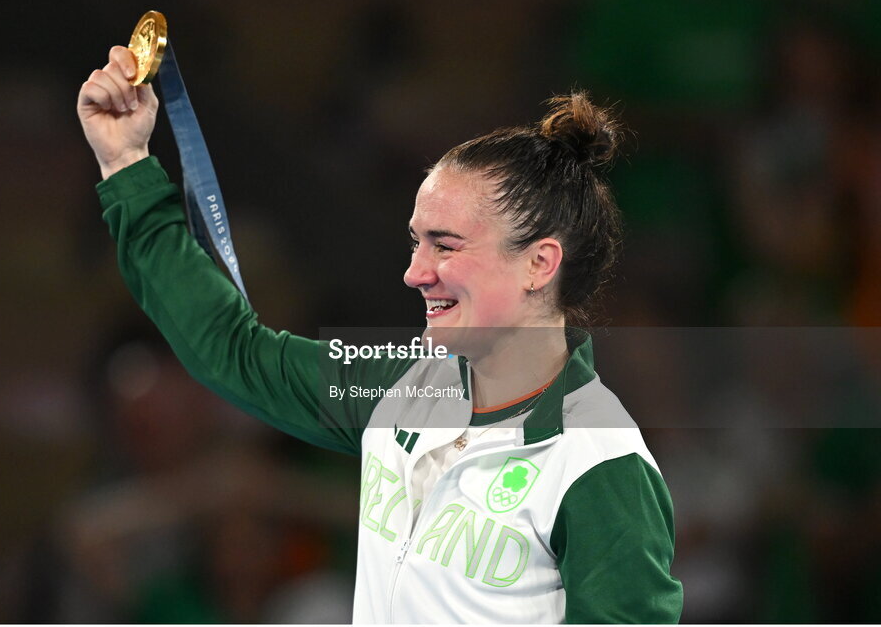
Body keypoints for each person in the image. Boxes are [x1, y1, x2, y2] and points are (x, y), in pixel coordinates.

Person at [77, 45, 683, 623]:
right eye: (416, 242)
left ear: (539, 264)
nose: (416, 273)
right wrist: (125, 164)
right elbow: (234, 353)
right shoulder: (398, 385)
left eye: (445, 246)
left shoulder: (598, 466)